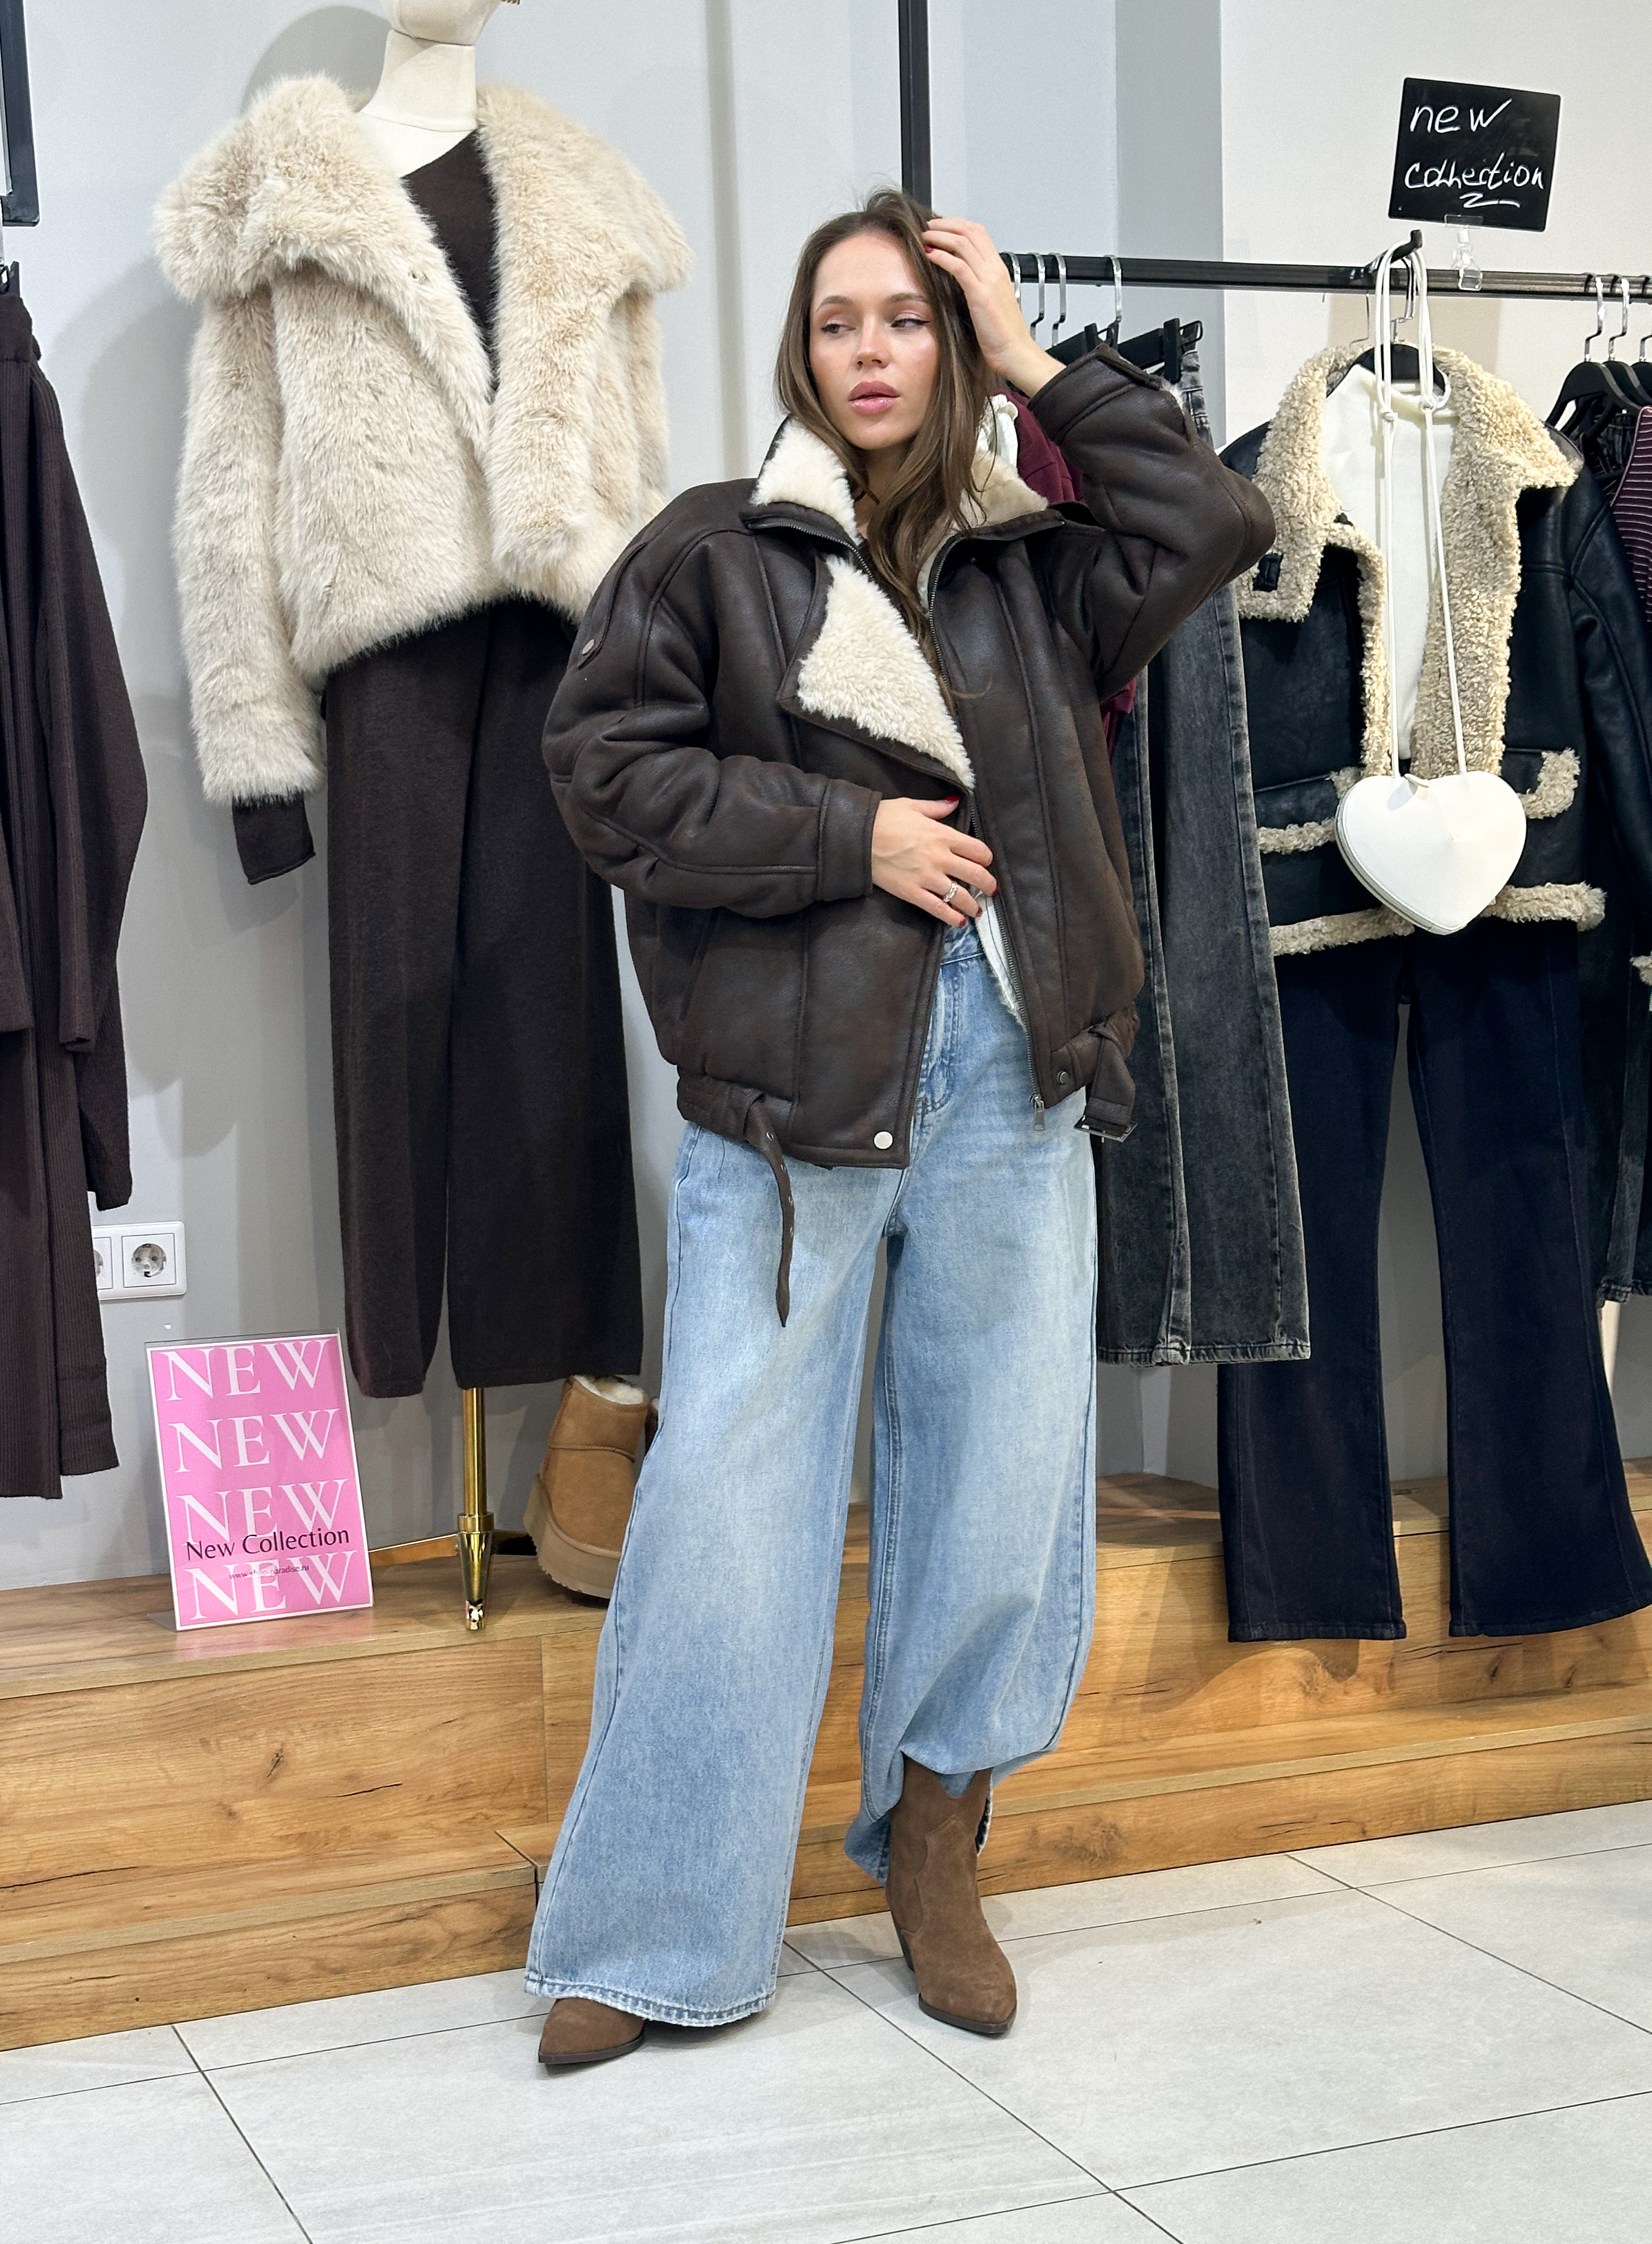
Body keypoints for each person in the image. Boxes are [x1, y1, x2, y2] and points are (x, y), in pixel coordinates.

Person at [526, 192, 1273, 2066]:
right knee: (725, 1499)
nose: (871, 351)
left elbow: (1215, 524)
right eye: (838, 321)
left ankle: (936, 1842)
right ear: (801, 351)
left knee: (1001, 1478)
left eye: (908, 320)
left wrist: (1032, 355)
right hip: (792, 1103)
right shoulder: (716, 552)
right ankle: (658, 1920)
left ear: (952, 348)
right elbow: (604, 777)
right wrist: (843, 836)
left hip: (1013, 1071)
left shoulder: (1035, 566)